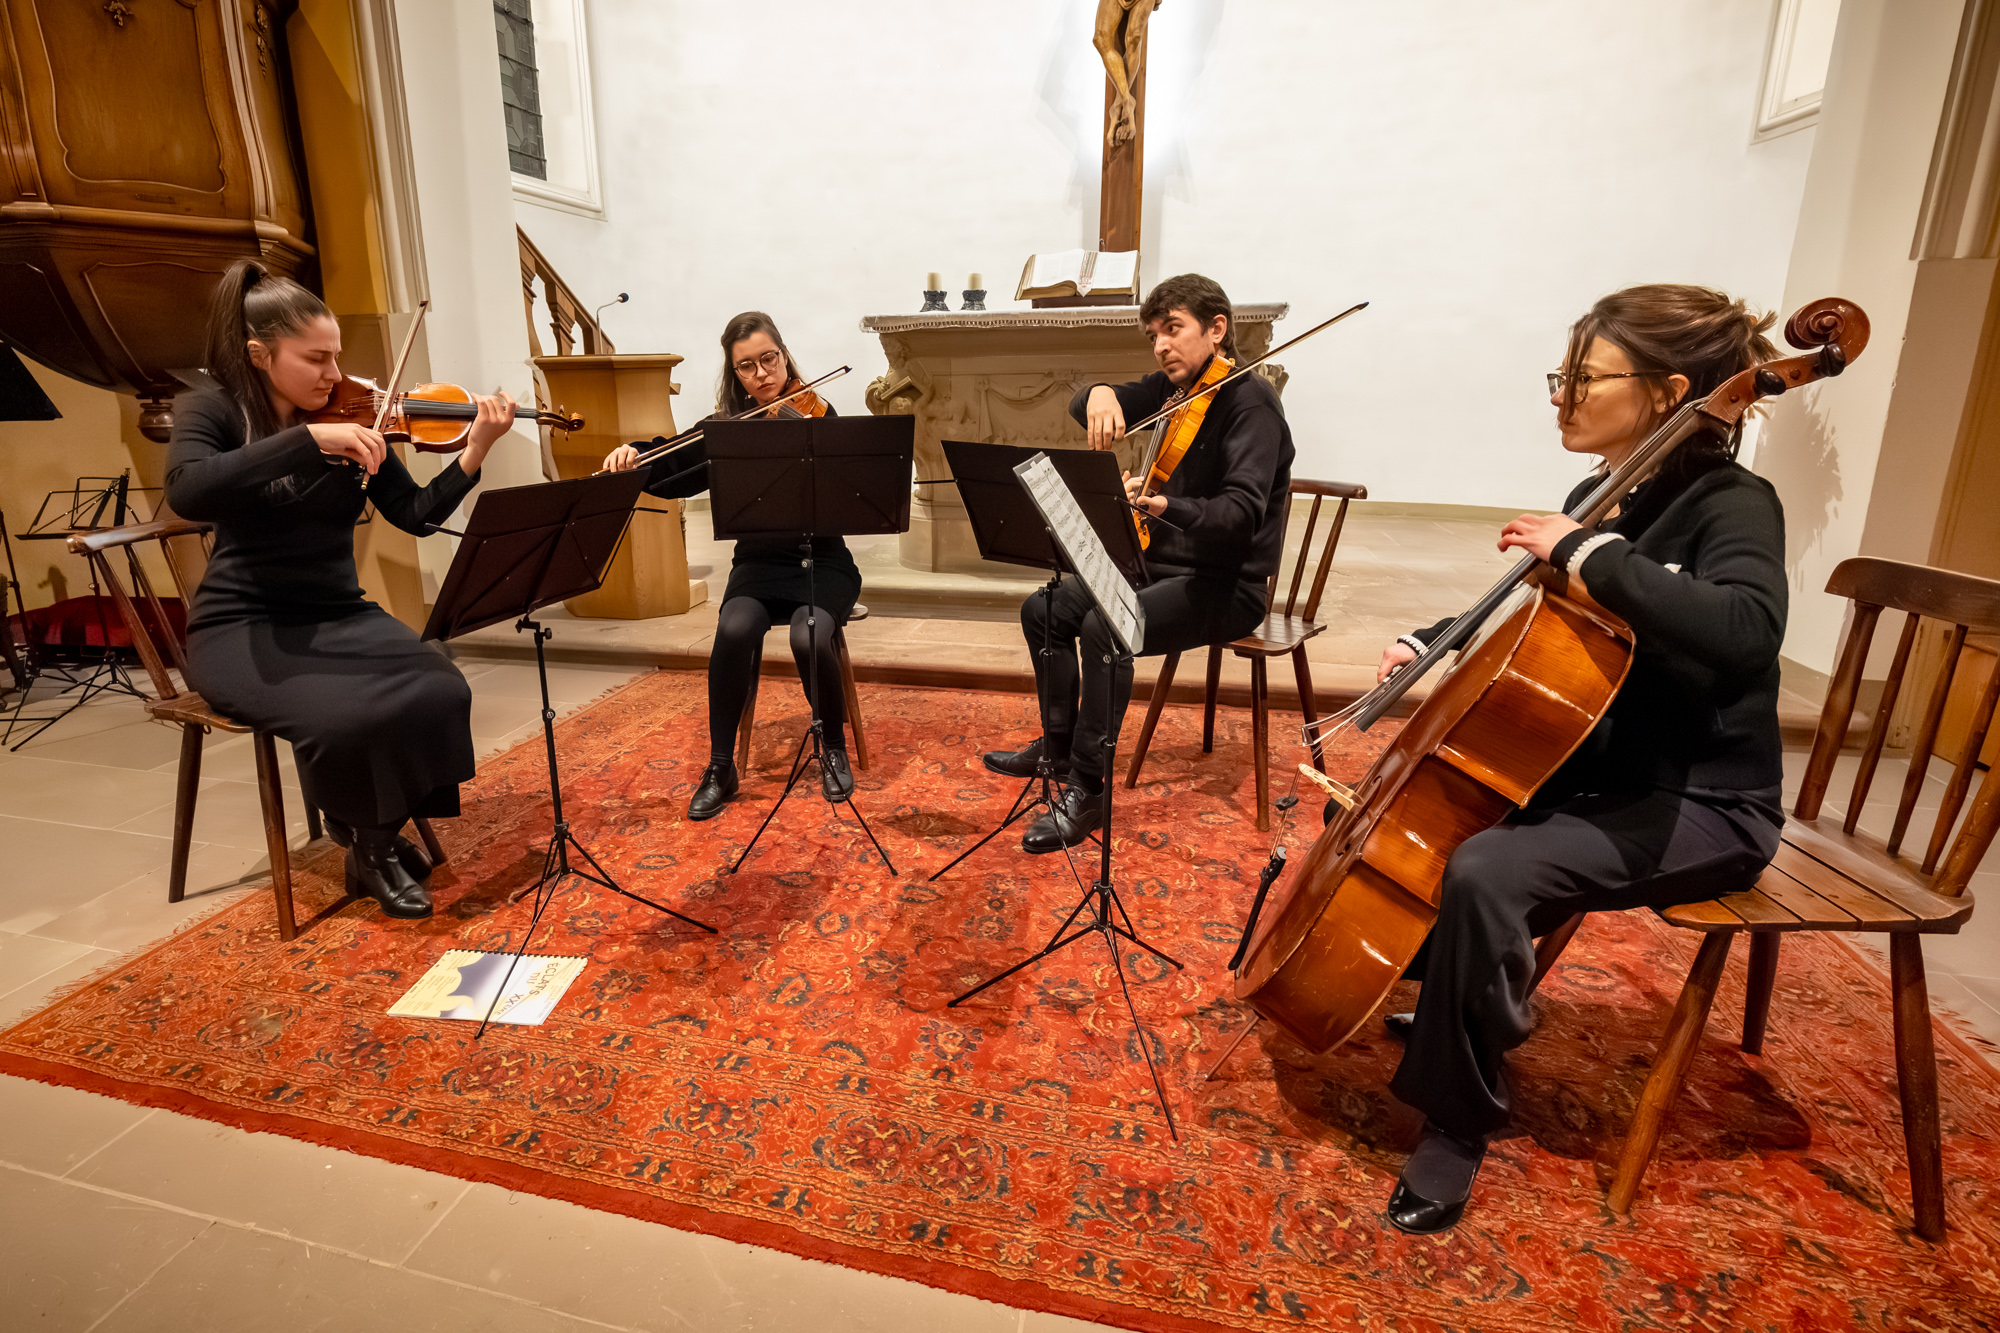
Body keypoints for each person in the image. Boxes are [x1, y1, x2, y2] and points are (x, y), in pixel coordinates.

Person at [1371, 284, 1789, 1235]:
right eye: (1560, 376)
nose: (1562, 396)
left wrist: (1592, 553)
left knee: (1488, 867)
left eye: (1583, 378)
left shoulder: (1735, 503)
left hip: (1704, 798)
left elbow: (1746, 631)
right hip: (1604, 767)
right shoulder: (1601, 498)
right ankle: (1458, 999)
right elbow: (1542, 620)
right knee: (1419, 806)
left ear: (1668, 391)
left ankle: (1456, 1118)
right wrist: (1432, 639)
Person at [166, 259, 517, 920]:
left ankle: (369, 837)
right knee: (347, 714)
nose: (335, 374)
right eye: (316, 358)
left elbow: (414, 514)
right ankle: (373, 847)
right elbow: (188, 490)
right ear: (261, 355)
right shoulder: (212, 407)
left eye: (336, 356)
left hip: (336, 610)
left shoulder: (354, 414)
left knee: (441, 687)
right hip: (243, 626)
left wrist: (474, 449)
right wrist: (307, 439)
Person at [982, 274, 1289, 852]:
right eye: (1153, 336)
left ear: (1216, 329)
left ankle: (1088, 787)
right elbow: (1086, 404)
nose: (1161, 346)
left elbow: (1242, 513)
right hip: (1158, 566)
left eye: (1173, 329)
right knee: (1043, 609)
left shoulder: (1251, 404)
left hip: (1227, 584)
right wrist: (1098, 393)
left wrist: (1166, 505)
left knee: (1106, 627)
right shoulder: (1175, 388)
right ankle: (1058, 746)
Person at [602, 312, 860, 819]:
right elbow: (674, 462)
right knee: (734, 628)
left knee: (808, 635)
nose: (762, 374)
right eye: (747, 366)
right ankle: (721, 767)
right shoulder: (727, 430)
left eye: (769, 359)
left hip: (822, 561)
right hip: (758, 565)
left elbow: (850, 485)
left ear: (784, 355)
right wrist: (635, 455)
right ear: (735, 373)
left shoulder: (817, 414)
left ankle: (833, 747)